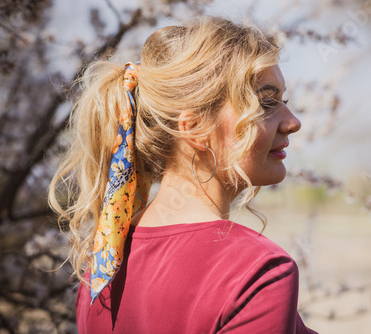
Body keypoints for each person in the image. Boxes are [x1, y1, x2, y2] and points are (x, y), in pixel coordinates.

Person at [48, 15, 318, 334]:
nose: (292, 122)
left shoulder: (103, 264)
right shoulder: (257, 271)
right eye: (267, 103)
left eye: (283, 101)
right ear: (194, 127)